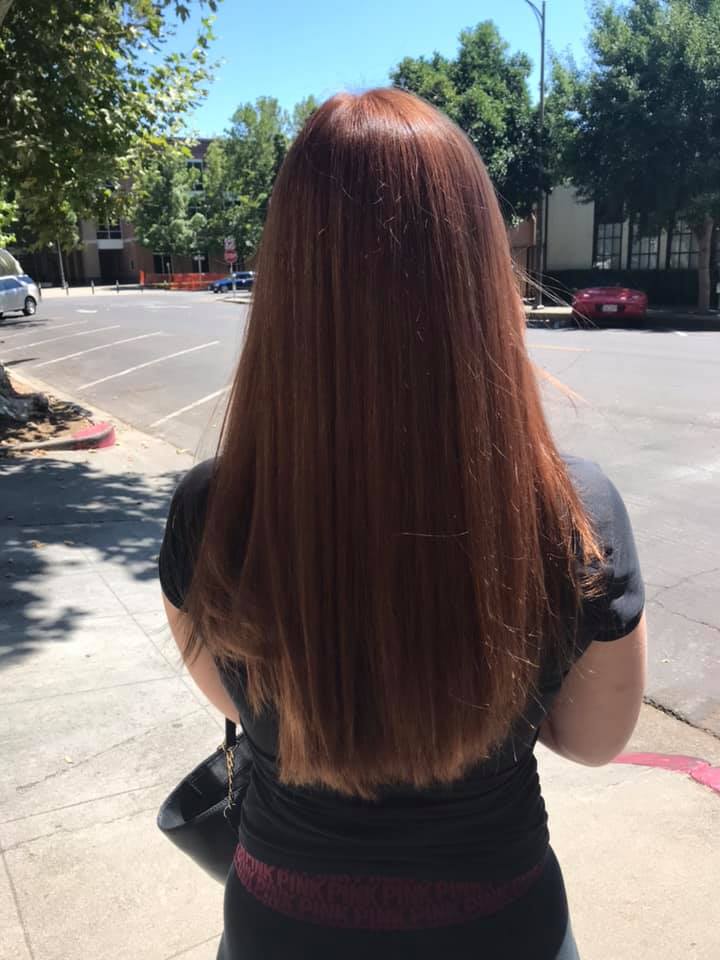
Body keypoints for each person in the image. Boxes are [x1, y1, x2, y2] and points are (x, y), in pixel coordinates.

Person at [159, 88, 646, 960]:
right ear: (480, 278)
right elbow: (594, 741)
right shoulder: (574, 513)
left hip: (281, 928)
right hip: (503, 925)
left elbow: (238, 700)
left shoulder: (211, 512)